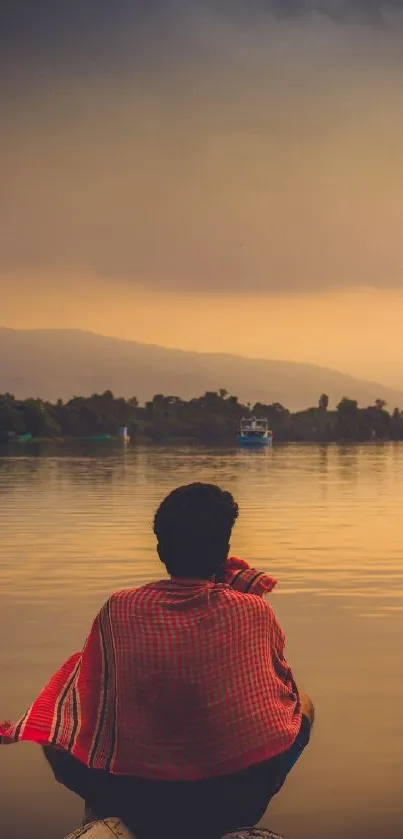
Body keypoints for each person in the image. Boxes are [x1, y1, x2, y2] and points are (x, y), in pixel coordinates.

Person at [0, 483, 314, 839]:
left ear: (161, 549)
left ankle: (109, 817)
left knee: (57, 721)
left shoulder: (119, 608)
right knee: (302, 704)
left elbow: (89, 691)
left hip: (133, 797)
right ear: (225, 550)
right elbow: (281, 688)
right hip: (233, 797)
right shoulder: (253, 609)